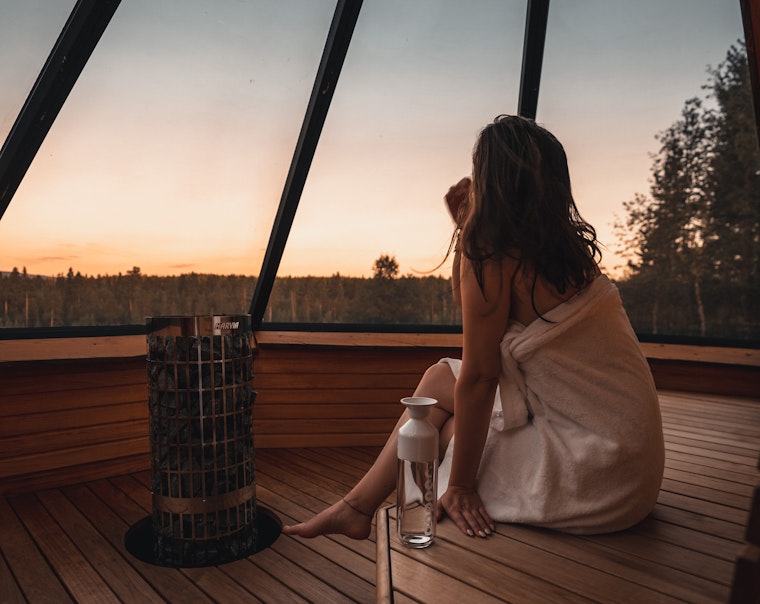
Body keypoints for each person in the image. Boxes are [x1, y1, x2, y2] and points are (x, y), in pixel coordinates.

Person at [283, 115, 664, 540]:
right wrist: (468, 228)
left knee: (446, 429)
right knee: (438, 378)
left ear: (490, 178)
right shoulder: (570, 252)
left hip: (598, 473)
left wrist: (461, 486)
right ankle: (357, 507)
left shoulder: (493, 252)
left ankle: (366, 508)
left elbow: (483, 374)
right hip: (633, 459)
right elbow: (481, 317)